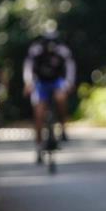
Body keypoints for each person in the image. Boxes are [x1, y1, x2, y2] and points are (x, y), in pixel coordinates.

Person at [23, 29, 75, 162]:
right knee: (39, 113)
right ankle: (39, 145)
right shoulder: (36, 51)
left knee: (61, 98)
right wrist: (28, 82)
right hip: (40, 83)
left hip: (57, 81)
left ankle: (63, 128)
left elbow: (70, 67)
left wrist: (69, 83)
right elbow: (28, 67)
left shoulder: (63, 51)